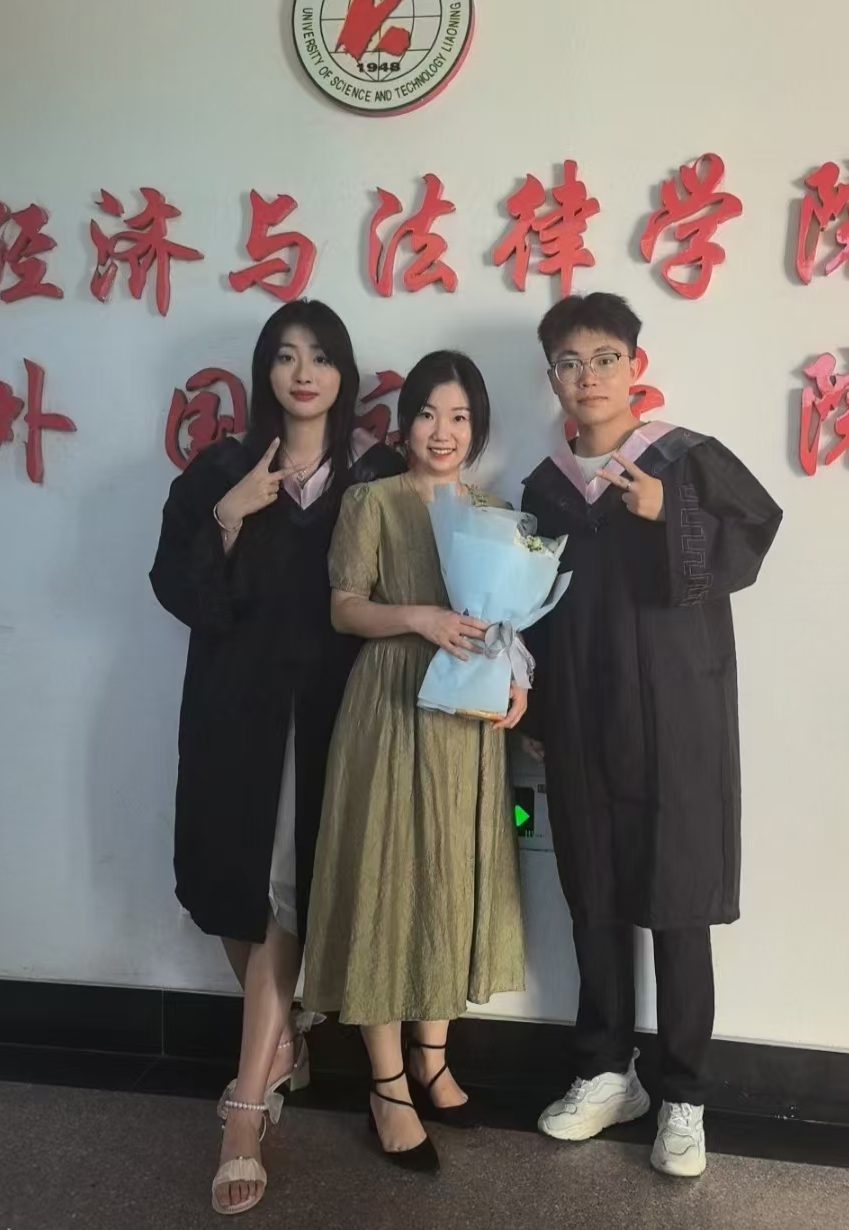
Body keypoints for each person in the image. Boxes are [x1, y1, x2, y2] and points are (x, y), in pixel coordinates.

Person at [148, 299, 404, 1215]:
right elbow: (175, 589)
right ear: (265, 371)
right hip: (235, 711)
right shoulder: (221, 470)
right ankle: (284, 1041)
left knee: (281, 896)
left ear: (343, 374)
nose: (304, 372)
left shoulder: (373, 474)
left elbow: (410, 578)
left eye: (321, 356)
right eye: (286, 355)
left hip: (336, 715)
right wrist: (227, 518)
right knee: (232, 885)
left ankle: (245, 1114)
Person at [519, 293, 782, 1178]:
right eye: (568, 362)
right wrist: (538, 710)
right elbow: (534, 608)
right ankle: (606, 1072)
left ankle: (684, 1094)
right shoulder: (547, 488)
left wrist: (670, 510)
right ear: (551, 377)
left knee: (676, 900)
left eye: (604, 358)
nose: (587, 376)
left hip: (677, 716)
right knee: (593, 892)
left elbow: (757, 536)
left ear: (634, 364)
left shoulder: (685, 458)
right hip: (582, 713)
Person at [301, 350, 527, 1175]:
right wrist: (419, 618)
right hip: (392, 706)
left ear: (478, 428)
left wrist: (519, 681)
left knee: (452, 876)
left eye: (460, 417)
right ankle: (387, 1086)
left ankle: (434, 1060)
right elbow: (344, 609)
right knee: (387, 878)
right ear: (405, 425)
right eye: (428, 414)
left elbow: (508, 621)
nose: (443, 431)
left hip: (466, 716)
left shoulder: (495, 511)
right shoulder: (373, 501)